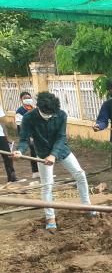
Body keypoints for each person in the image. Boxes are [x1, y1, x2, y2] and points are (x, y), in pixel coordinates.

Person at [13, 92, 94, 231]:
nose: (49, 116)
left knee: (80, 174)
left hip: (61, 150)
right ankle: (50, 217)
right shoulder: (28, 118)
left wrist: (53, 155)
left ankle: (87, 206)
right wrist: (20, 150)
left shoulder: (61, 114)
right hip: (42, 154)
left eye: (51, 114)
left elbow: (61, 137)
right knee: (47, 185)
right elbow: (24, 139)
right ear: (38, 108)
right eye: (46, 113)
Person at [15, 91, 40, 178]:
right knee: (33, 149)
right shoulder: (20, 111)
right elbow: (19, 124)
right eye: (25, 98)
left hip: (36, 132)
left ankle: (41, 171)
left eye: (29, 98)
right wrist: (28, 136)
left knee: (39, 150)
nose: (27, 99)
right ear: (21, 100)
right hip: (25, 132)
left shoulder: (34, 108)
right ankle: (35, 172)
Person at [0, 101, 17, 183]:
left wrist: (12, 135)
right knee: (7, 156)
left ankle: (12, 177)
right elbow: (4, 120)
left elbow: (4, 120)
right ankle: (12, 177)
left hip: (0, 135)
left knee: (7, 156)